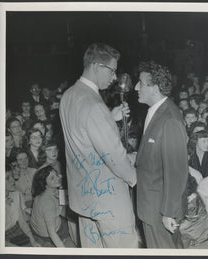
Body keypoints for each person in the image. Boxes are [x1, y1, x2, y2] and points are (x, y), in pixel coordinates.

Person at [59, 43, 138, 248]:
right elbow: (115, 157)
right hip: (108, 199)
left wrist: (110, 118)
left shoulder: (68, 96)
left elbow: (82, 133)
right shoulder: (94, 105)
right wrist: (134, 177)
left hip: (84, 197)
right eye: (112, 71)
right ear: (96, 66)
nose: (113, 78)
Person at [134, 60, 188, 248]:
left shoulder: (169, 119)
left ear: (154, 87)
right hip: (152, 204)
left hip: (159, 208)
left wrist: (169, 212)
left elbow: (177, 171)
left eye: (140, 83)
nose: (135, 87)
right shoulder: (156, 112)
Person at [30, 166, 75, 247]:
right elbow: (52, 232)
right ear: (45, 184)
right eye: (52, 178)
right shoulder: (48, 202)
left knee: (67, 212)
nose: (57, 178)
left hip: (36, 229)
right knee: (74, 222)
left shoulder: (41, 194)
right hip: (46, 234)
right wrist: (63, 250)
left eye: (57, 175)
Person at [5, 165, 40, 247]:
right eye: (7, 178)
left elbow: (22, 221)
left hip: (16, 230)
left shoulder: (16, 195)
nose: (13, 180)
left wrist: (33, 240)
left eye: (12, 176)